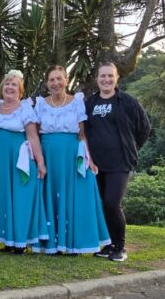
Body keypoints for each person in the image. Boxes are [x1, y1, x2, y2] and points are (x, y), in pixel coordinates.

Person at [34, 65, 111, 254]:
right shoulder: (41, 104)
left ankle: (73, 243)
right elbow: (34, 135)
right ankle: (52, 243)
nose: (56, 83)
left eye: (59, 78)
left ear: (66, 80)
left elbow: (82, 135)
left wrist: (89, 159)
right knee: (50, 195)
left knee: (75, 195)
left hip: (71, 156)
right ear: (47, 83)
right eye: (52, 79)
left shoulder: (77, 103)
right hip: (49, 155)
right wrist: (39, 160)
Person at [85, 62, 151, 262]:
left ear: (116, 78)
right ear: (97, 79)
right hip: (96, 164)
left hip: (120, 163)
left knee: (112, 204)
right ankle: (108, 245)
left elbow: (144, 127)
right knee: (102, 205)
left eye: (110, 76)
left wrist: (132, 148)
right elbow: (84, 131)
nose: (106, 79)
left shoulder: (127, 101)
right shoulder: (90, 103)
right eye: (102, 76)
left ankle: (120, 247)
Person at [0, 70, 48, 252]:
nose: (10, 87)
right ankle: (7, 241)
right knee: (3, 197)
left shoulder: (25, 108)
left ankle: (21, 242)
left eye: (14, 85)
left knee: (20, 198)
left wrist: (40, 162)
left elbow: (33, 136)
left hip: (20, 160)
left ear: (20, 91)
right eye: (7, 84)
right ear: (2, 87)